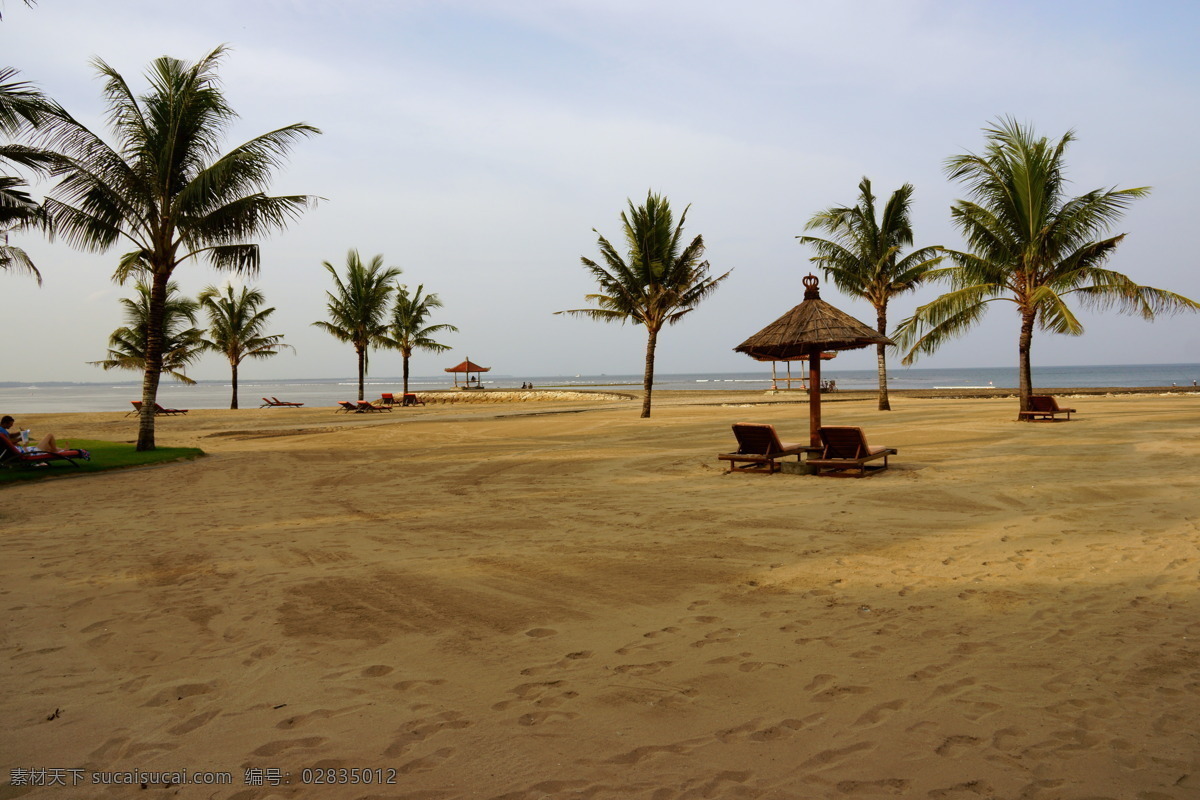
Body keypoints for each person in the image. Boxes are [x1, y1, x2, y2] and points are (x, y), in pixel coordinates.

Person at [1, 415, 89, 458]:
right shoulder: (1, 431)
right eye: (10, 424)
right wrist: (21, 439)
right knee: (49, 435)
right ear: (5, 423)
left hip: (22, 450)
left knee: (47, 448)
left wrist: (21, 433)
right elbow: (9, 442)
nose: (11, 426)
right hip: (27, 451)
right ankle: (58, 451)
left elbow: (9, 437)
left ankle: (63, 450)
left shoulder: (2, 430)